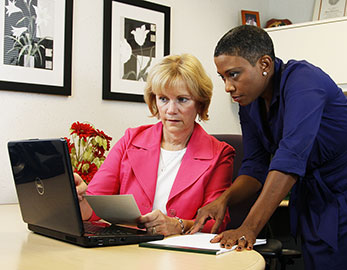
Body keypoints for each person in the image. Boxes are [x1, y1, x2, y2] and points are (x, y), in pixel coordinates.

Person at [190, 25, 347, 269]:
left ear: (265, 64)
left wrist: (249, 227)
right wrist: (224, 199)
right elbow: (254, 165)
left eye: (234, 74)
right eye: (223, 77)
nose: (227, 87)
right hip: (310, 199)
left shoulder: (304, 81)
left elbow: (291, 157)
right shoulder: (249, 102)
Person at [75, 53, 234, 237]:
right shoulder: (130, 140)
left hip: (182, 257)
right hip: (129, 251)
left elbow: (216, 222)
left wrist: (178, 225)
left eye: (182, 99)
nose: (171, 110)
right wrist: (78, 198)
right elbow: (93, 208)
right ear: (154, 100)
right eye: (163, 99)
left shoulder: (220, 154)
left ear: (200, 103)